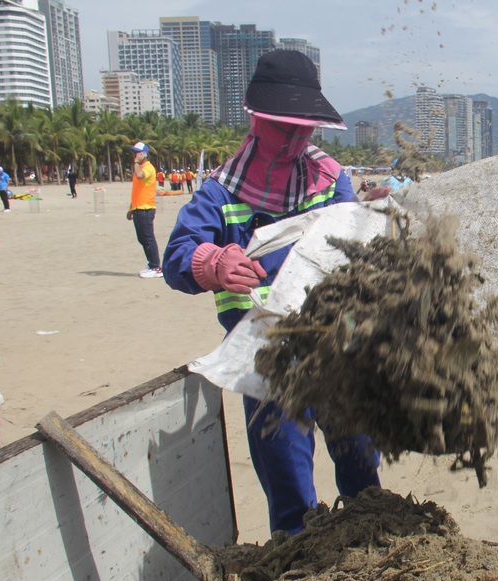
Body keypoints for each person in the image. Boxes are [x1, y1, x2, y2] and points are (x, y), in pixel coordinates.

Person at [163, 49, 382, 535]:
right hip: (266, 364)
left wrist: (376, 217)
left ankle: (368, 554)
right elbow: (176, 258)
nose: (298, 138)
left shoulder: (328, 178)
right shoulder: (220, 192)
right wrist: (214, 263)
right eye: (287, 126)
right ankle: (297, 572)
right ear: (257, 120)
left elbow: (354, 241)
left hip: (335, 350)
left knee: (362, 474)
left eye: (305, 127)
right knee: (290, 494)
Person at [127, 142, 162, 279]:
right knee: (142, 238)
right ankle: (151, 264)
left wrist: (136, 162)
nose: (135, 155)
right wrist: (131, 208)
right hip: (138, 208)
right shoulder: (139, 168)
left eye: (138, 153)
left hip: (146, 209)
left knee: (148, 238)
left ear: (144, 154)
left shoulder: (148, 168)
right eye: (134, 152)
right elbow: (137, 190)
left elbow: (141, 175)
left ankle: (156, 267)